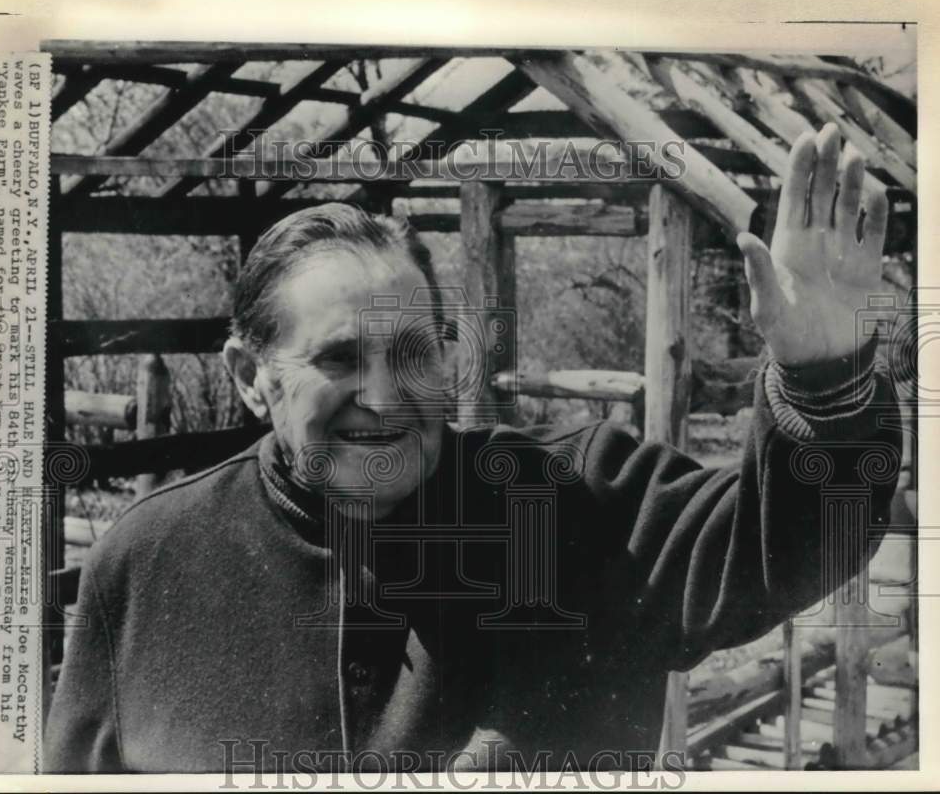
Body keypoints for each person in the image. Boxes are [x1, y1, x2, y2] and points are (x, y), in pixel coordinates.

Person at [45, 123, 903, 774]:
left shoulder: (578, 504)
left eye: (414, 354)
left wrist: (824, 376)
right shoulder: (147, 564)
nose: (384, 398)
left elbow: (786, 539)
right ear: (249, 376)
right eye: (341, 359)